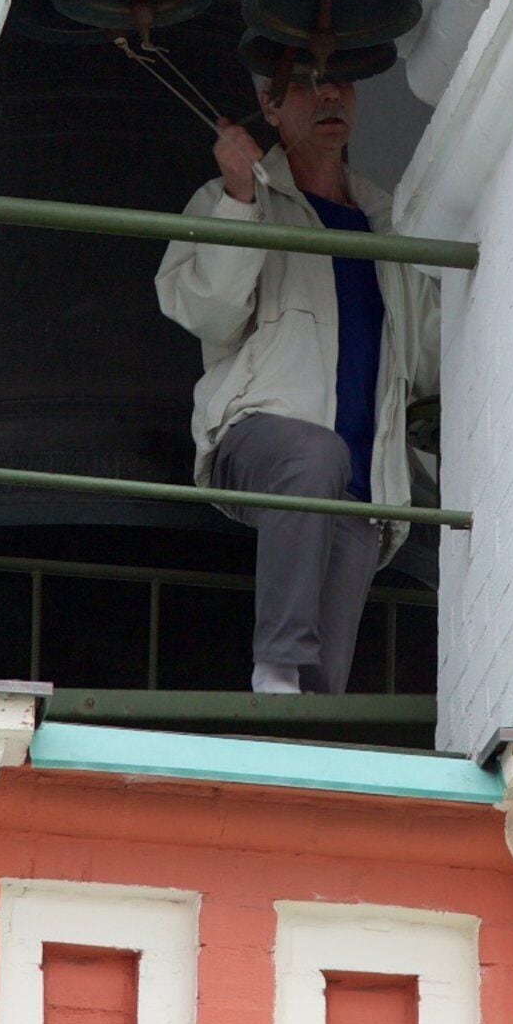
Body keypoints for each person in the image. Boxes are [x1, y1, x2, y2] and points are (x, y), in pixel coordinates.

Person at [153, 57, 439, 694]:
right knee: (314, 455)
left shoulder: (389, 225)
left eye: (342, 78)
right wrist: (240, 198)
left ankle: (294, 726)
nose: (330, 92)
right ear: (271, 106)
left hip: (366, 478)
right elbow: (207, 312)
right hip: (262, 437)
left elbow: (432, 355)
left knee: (321, 693)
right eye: (308, 82)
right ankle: (275, 663)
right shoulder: (233, 201)